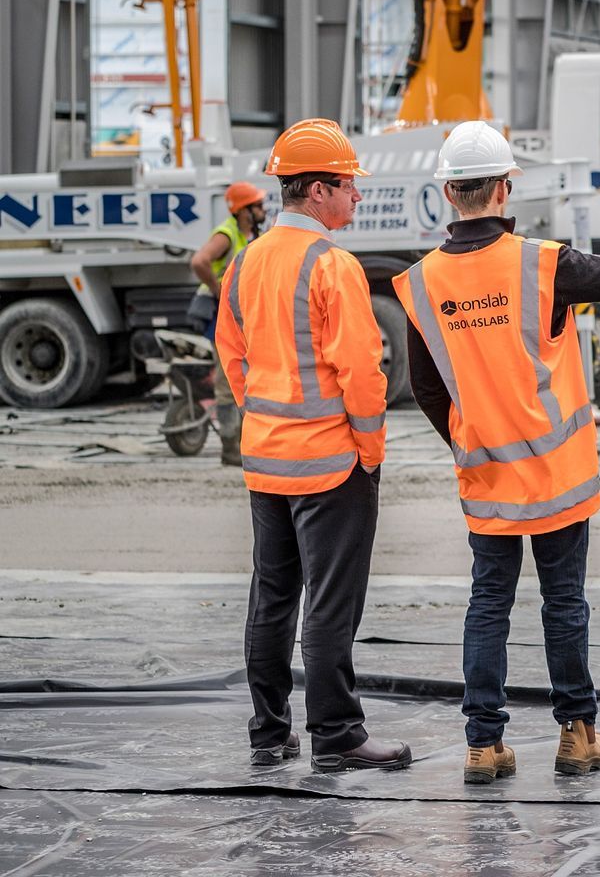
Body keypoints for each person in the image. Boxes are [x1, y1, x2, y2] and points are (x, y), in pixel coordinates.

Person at [394, 122, 600, 786]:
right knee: (564, 603)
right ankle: (578, 735)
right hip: (557, 475)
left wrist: (471, 443)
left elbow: (429, 390)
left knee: (488, 603)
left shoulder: (421, 282)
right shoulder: (545, 264)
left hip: (486, 475)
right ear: (505, 186)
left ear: (446, 191)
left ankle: (483, 746)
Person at [215, 119, 404, 774]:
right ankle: (337, 735)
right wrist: (370, 451)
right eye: (349, 185)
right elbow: (361, 370)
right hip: (331, 464)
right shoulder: (332, 265)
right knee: (329, 602)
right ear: (319, 190)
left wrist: (265, 420)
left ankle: (269, 732)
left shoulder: (244, 262)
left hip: (266, 460)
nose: (356, 196)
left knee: (272, 599)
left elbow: (233, 357)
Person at [190, 180, 267, 465]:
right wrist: (217, 288)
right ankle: (230, 447)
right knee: (227, 380)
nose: (263, 209)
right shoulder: (227, 233)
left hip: (241, 314)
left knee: (245, 378)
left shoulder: (252, 234)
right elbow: (199, 261)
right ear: (243, 210)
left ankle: (244, 441)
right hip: (220, 314)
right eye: (257, 205)